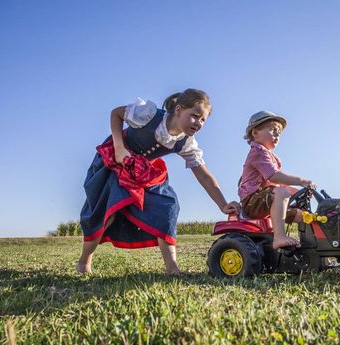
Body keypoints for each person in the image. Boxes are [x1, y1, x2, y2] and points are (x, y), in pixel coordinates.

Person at [77, 89, 239, 275]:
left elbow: (203, 175)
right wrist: (119, 147)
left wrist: (223, 204)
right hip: (116, 162)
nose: (199, 123)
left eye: (203, 120)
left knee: (168, 206)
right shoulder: (149, 115)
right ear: (178, 109)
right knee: (108, 212)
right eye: (195, 116)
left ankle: (172, 268)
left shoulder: (185, 142)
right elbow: (116, 113)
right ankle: (84, 260)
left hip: (143, 172)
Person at [238, 111, 315, 249]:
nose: (277, 135)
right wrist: (301, 181)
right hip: (252, 202)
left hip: (265, 200)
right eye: (273, 130)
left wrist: (299, 194)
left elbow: (278, 185)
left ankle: (311, 246)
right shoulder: (258, 152)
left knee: (302, 215)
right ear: (255, 133)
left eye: (279, 132)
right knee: (282, 193)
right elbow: (274, 176)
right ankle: (279, 237)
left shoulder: (271, 156)